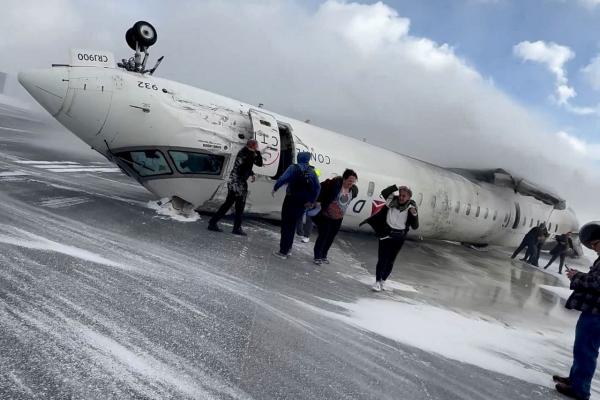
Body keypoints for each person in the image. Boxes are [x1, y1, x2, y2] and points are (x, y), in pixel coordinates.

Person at [552, 222, 600, 400]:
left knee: (586, 350)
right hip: (593, 311)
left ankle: (580, 390)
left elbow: (597, 284)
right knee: (581, 348)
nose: (594, 249)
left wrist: (577, 277)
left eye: (595, 244)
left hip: (596, 314)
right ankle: (575, 379)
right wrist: (580, 275)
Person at [360, 185, 419, 292]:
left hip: (399, 237)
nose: (401, 197)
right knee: (382, 259)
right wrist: (396, 187)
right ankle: (377, 281)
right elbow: (384, 191)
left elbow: (415, 226)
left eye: (404, 196)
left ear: (409, 198)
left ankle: (383, 281)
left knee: (390, 261)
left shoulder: (411, 208)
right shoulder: (391, 201)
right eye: (400, 195)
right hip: (386, 234)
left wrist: (414, 215)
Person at [208, 139, 263, 235]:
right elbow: (248, 166)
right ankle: (236, 228)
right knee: (239, 206)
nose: (257, 147)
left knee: (229, 203)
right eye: (256, 146)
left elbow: (254, 164)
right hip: (238, 182)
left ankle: (213, 222)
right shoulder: (246, 154)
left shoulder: (246, 152)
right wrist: (257, 155)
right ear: (253, 146)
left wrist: (252, 172)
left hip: (234, 180)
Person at [272, 152, 320, 259]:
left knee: (286, 225)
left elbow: (283, 179)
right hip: (303, 203)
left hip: (291, 199)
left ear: (299, 158)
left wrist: (275, 188)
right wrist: (311, 201)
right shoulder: (312, 171)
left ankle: (283, 251)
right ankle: (288, 249)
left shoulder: (294, 167)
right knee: (292, 225)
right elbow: (317, 188)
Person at [312, 169, 359, 265]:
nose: (351, 183)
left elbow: (347, 201)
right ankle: (317, 256)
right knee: (324, 235)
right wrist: (319, 201)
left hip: (338, 218)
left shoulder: (353, 190)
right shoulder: (335, 184)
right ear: (344, 179)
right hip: (327, 215)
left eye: (353, 181)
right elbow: (322, 188)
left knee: (331, 237)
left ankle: (323, 255)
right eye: (350, 180)